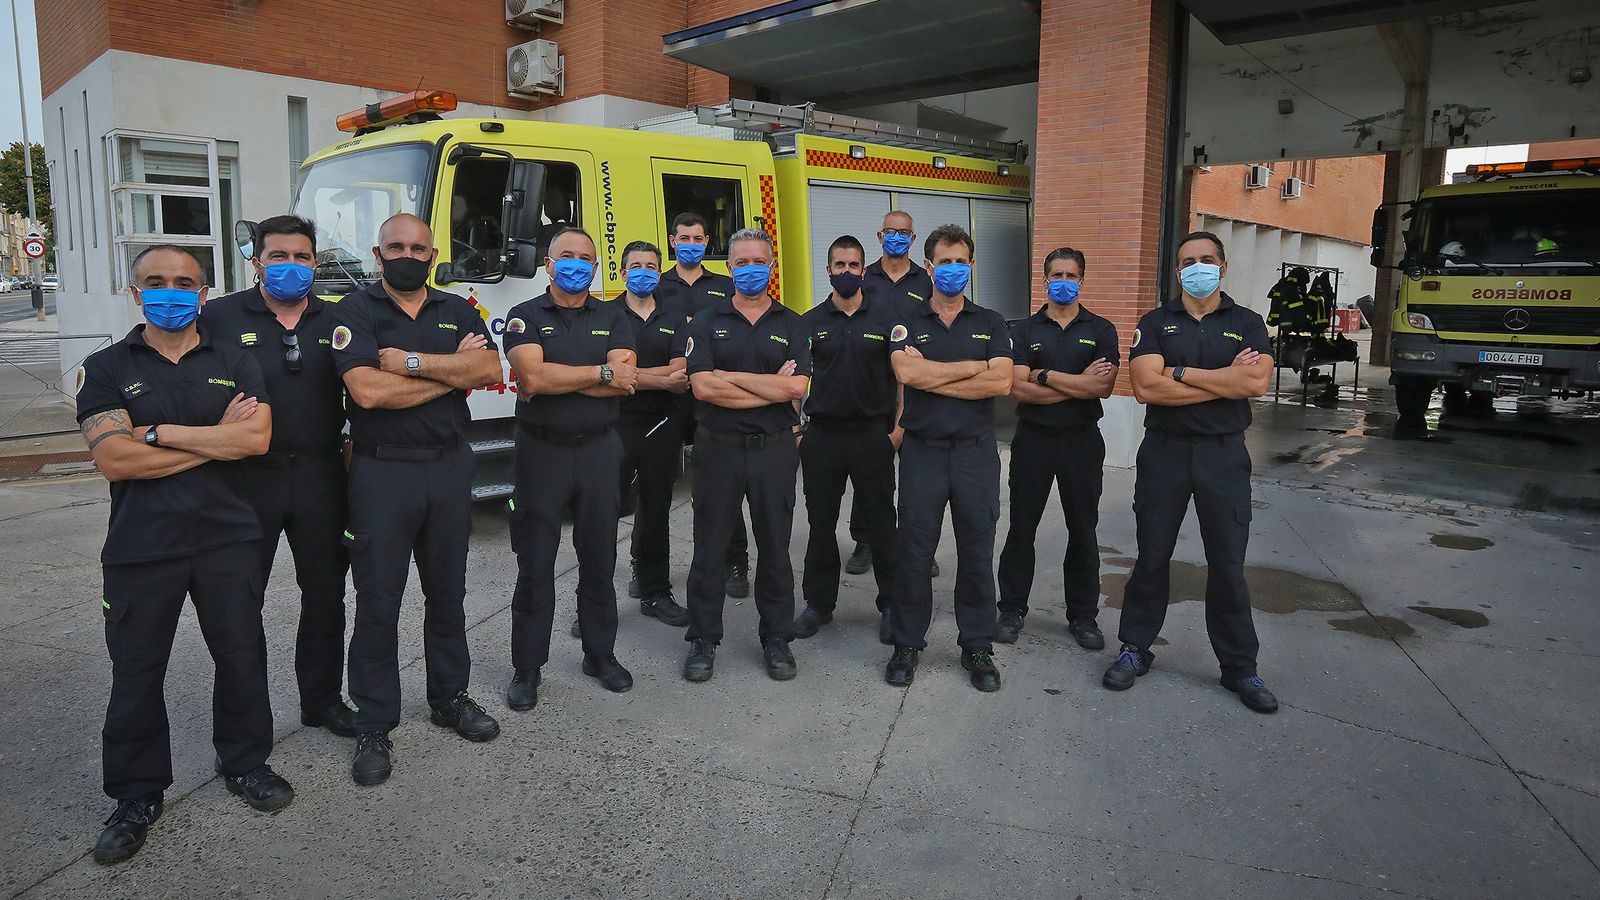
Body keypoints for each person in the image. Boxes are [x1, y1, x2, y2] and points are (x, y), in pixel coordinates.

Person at [77, 245, 289, 864]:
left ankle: (247, 763)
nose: (170, 292)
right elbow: (115, 459)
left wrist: (158, 433)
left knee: (243, 658)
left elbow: (256, 438)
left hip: (227, 538)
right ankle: (136, 796)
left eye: (184, 283)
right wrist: (215, 442)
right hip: (142, 548)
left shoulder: (235, 359)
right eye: (155, 282)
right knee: (137, 674)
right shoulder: (107, 366)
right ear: (135, 291)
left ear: (203, 292)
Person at [331, 213, 505, 785]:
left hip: (450, 469)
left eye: (418, 248)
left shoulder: (456, 308)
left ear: (434, 256)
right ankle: (376, 721)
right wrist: (453, 373)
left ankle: (449, 697)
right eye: (395, 247)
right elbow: (367, 391)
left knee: (448, 594)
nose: (408, 255)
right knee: (378, 602)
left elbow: (488, 370)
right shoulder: (354, 311)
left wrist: (407, 362)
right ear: (378, 255)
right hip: (382, 474)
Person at [1107, 231, 1278, 713]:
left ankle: (1240, 668)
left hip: (1223, 455)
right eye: (1187, 261)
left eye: (1206, 260)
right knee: (1152, 554)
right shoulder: (1156, 321)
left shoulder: (1246, 322)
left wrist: (1179, 372)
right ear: (1176, 270)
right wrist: (1226, 382)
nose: (1196, 267)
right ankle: (1135, 648)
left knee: (1227, 563)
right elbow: (1146, 388)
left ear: (1223, 268)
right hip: (1166, 453)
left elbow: (1257, 381)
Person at [201, 215, 356, 737]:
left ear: (316, 262)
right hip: (246, 479)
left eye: (302, 257)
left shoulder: (338, 318)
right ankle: (244, 733)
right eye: (279, 257)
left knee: (326, 595)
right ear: (257, 263)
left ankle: (322, 700)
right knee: (240, 605)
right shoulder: (217, 317)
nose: (292, 267)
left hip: (321, 475)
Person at [501, 227, 638, 710]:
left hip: (600, 452)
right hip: (543, 455)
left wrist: (564, 379)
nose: (576, 263)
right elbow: (532, 377)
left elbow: (626, 382)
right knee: (535, 564)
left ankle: (600, 655)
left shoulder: (615, 317)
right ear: (549, 264)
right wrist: (599, 373)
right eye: (567, 256)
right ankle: (527, 667)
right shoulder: (524, 316)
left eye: (586, 257)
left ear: (596, 267)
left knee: (600, 559)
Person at [882, 224, 1013, 692]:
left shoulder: (992, 322)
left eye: (962, 261)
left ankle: (976, 645)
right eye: (945, 261)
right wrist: (975, 366)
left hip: (975, 455)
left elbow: (1001, 383)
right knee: (914, 553)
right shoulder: (907, 321)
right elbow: (905, 371)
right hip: (923, 453)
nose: (954, 269)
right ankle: (907, 642)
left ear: (970, 265)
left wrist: (932, 374)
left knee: (977, 554)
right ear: (930, 266)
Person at [681, 227, 810, 683]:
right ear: (730, 268)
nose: (751, 269)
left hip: (774, 451)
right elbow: (701, 386)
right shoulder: (704, 320)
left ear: (771, 266)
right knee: (710, 549)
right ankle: (702, 639)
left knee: (775, 548)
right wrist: (769, 387)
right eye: (742, 262)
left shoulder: (793, 323)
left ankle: (777, 638)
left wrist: (730, 379)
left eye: (759, 261)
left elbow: (796, 388)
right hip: (719, 449)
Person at [996, 247, 1119, 649]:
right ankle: (1011, 610)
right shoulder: (1024, 330)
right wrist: (1074, 384)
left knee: (1082, 530)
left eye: (1071, 274)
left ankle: (1083, 616)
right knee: (1021, 529)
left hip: (1082, 443)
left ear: (1082, 279)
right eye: (1056, 274)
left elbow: (1101, 386)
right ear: (1044, 279)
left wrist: (1044, 375)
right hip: (1034, 441)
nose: (1063, 280)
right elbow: (1016, 388)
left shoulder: (1101, 329)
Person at [793, 234, 900, 644]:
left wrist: (898, 431)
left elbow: (904, 381)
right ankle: (818, 605)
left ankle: (890, 605)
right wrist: (795, 429)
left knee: (882, 526)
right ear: (828, 271)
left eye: (854, 266)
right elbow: (793, 381)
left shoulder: (886, 319)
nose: (847, 273)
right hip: (822, 437)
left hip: (873, 436)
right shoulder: (809, 322)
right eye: (840, 266)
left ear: (864, 269)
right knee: (821, 527)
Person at [656, 211, 750, 600]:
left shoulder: (727, 284)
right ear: (672, 241)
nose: (692, 245)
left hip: (715, 398)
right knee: (656, 489)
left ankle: (736, 562)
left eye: (699, 239)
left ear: (708, 243)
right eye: (685, 238)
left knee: (724, 486)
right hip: (671, 398)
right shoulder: (658, 284)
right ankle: (648, 571)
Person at [850, 210, 937, 576]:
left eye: (904, 232)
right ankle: (865, 540)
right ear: (879, 235)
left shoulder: (927, 279)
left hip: (917, 386)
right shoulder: (863, 276)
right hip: (871, 384)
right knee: (870, 464)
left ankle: (918, 544)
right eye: (891, 231)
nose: (897, 237)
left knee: (918, 471)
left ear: (914, 239)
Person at [615, 240, 692, 628]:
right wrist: (658, 378)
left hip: (662, 425)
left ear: (658, 271)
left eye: (651, 265)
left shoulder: (675, 317)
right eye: (636, 265)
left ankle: (656, 592)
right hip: (613, 426)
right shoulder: (605, 314)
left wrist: (628, 376)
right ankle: (593, 603)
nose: (643, 271)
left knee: (657, 510)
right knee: (600, 514)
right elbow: (605, 374)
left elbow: (680, 373)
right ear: (623, 272)